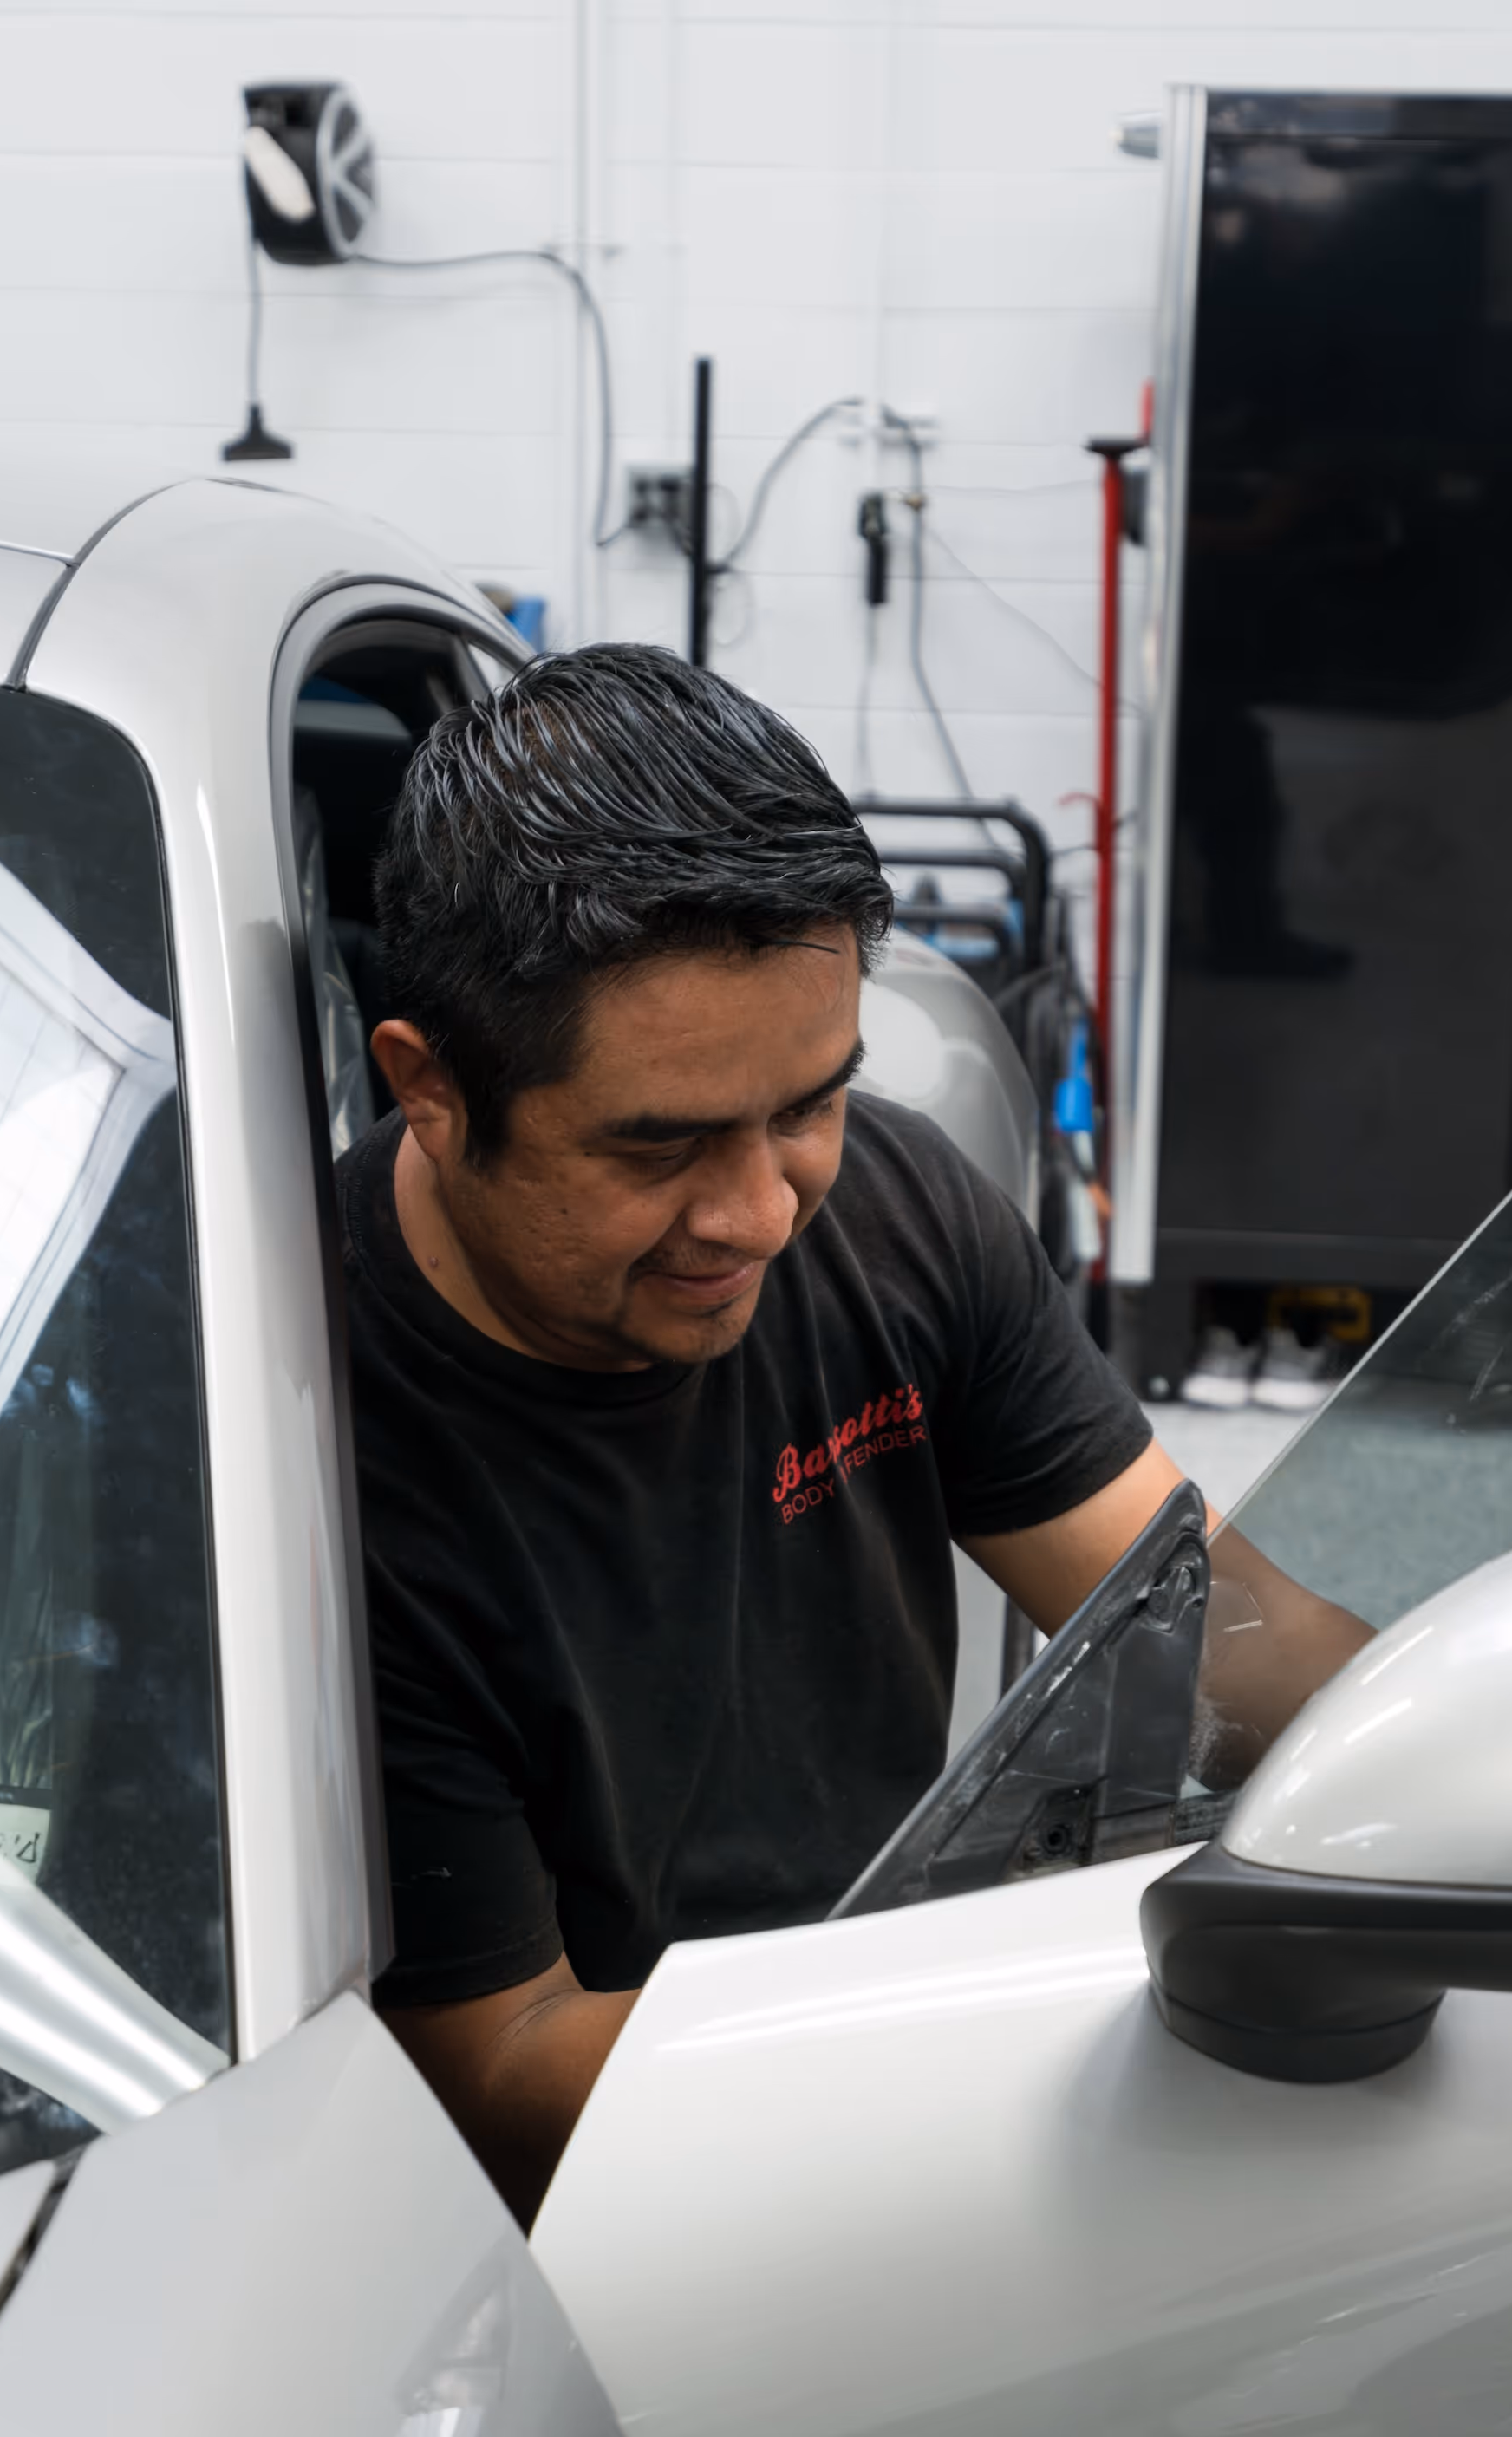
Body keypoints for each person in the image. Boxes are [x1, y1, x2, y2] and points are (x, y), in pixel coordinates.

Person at [338, 644, 1366, 2225]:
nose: (759, 1212)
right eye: (659, 1143)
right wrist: (971, 2010)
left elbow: (1216, 1626)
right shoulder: (331, 1460)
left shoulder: (892, 1210)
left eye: (807, 1102)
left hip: (875, 2020)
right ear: (430, 1090)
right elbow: (515, 2075)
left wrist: (1471, 1744)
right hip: (599, 2208)